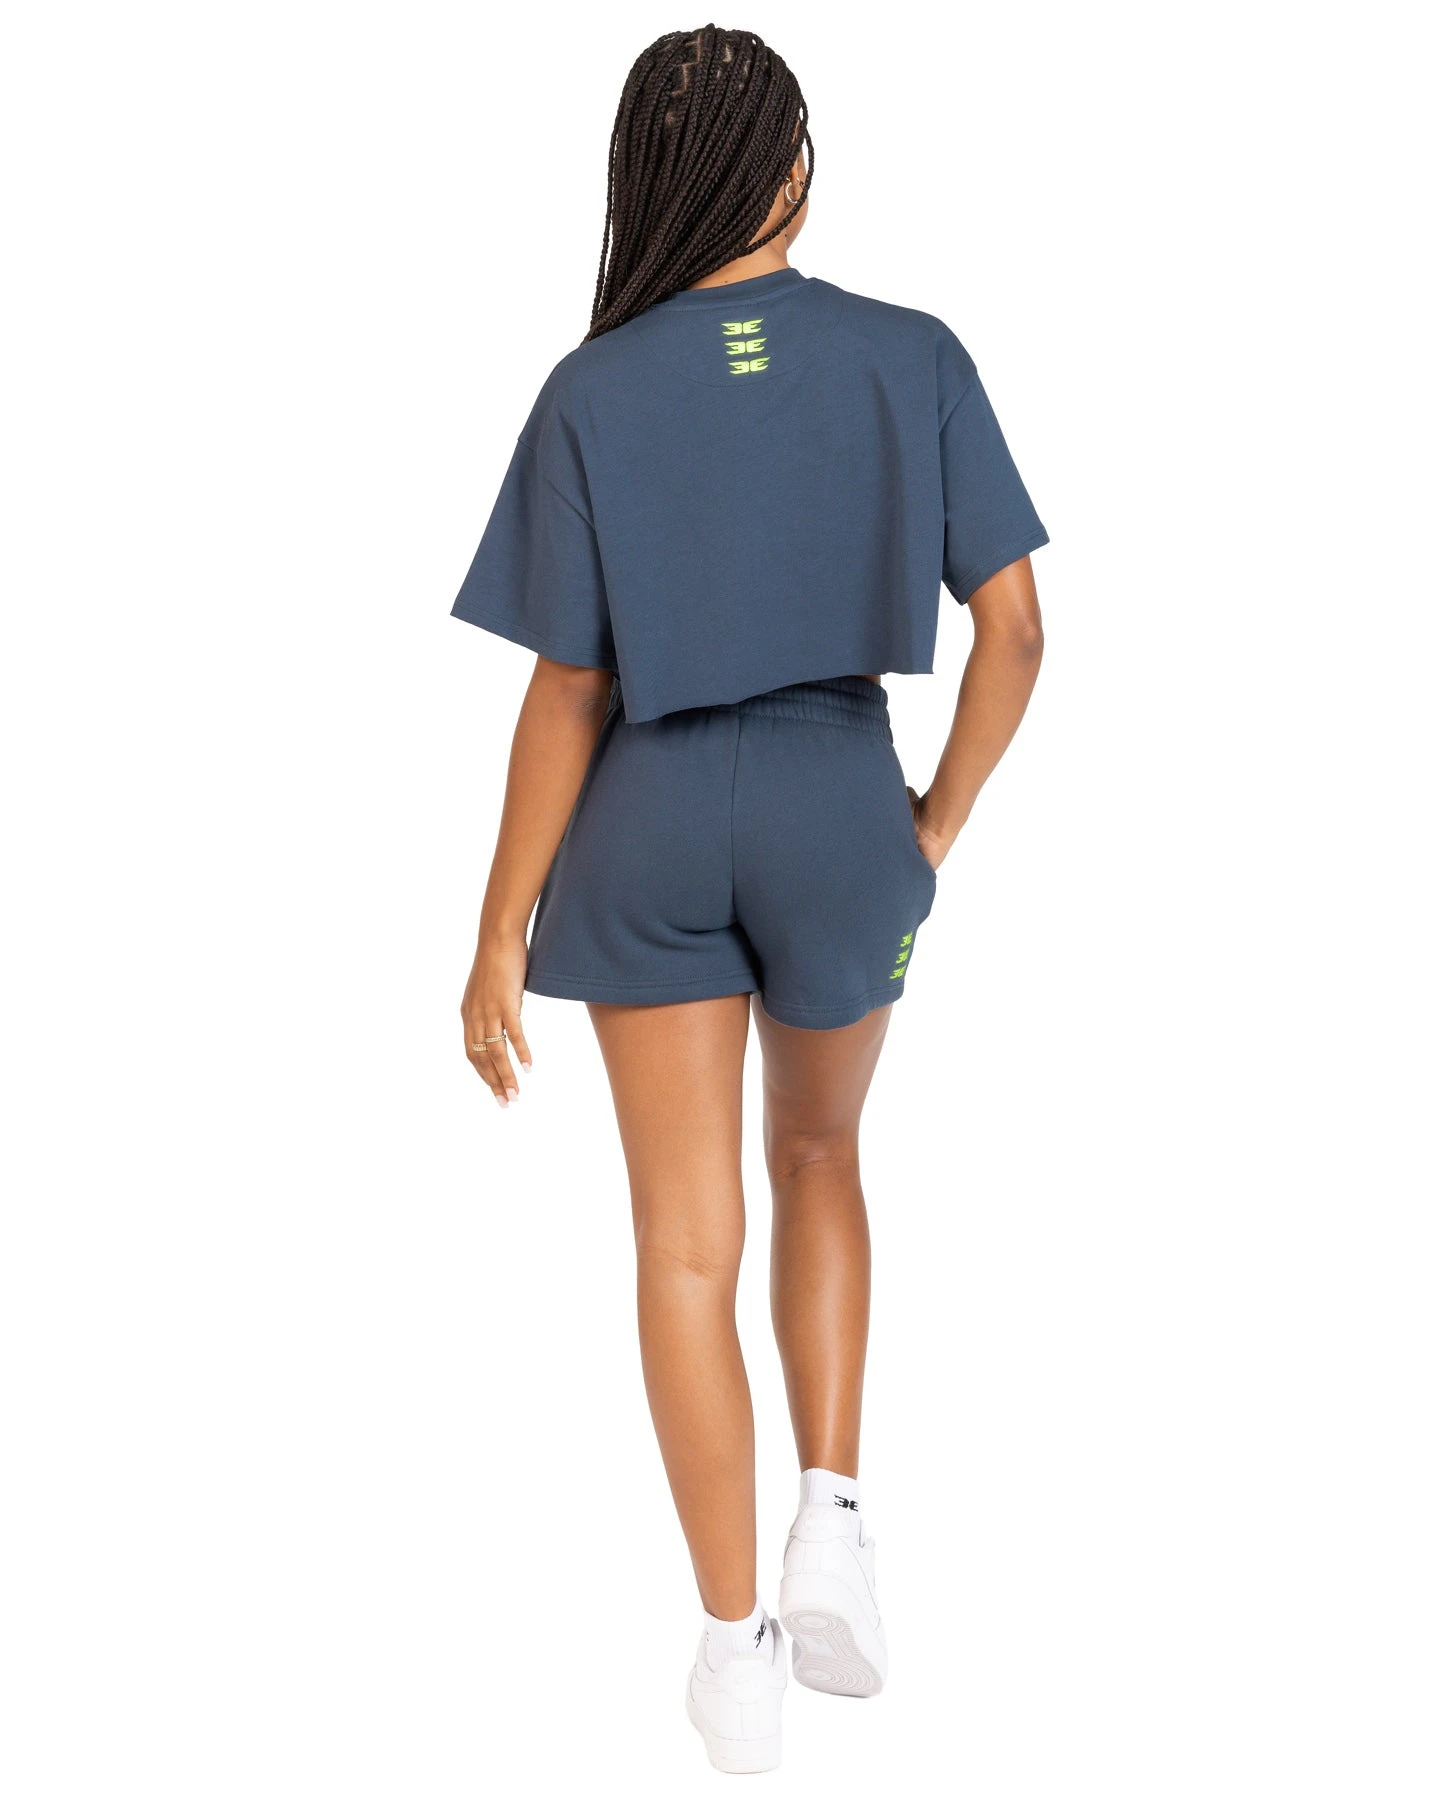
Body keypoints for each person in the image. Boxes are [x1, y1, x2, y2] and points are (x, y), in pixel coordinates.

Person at [451, 26, 1047, 1775]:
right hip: (841, 802)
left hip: (642, 820)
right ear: (791, 170)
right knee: (822, 1156)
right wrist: (930, 825)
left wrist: (497, 925)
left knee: (682, 1242)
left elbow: (568, 689)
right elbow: (1017, 632)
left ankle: (734, 1650)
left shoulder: (592, 389)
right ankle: (833, 1517)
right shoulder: (912, 355)